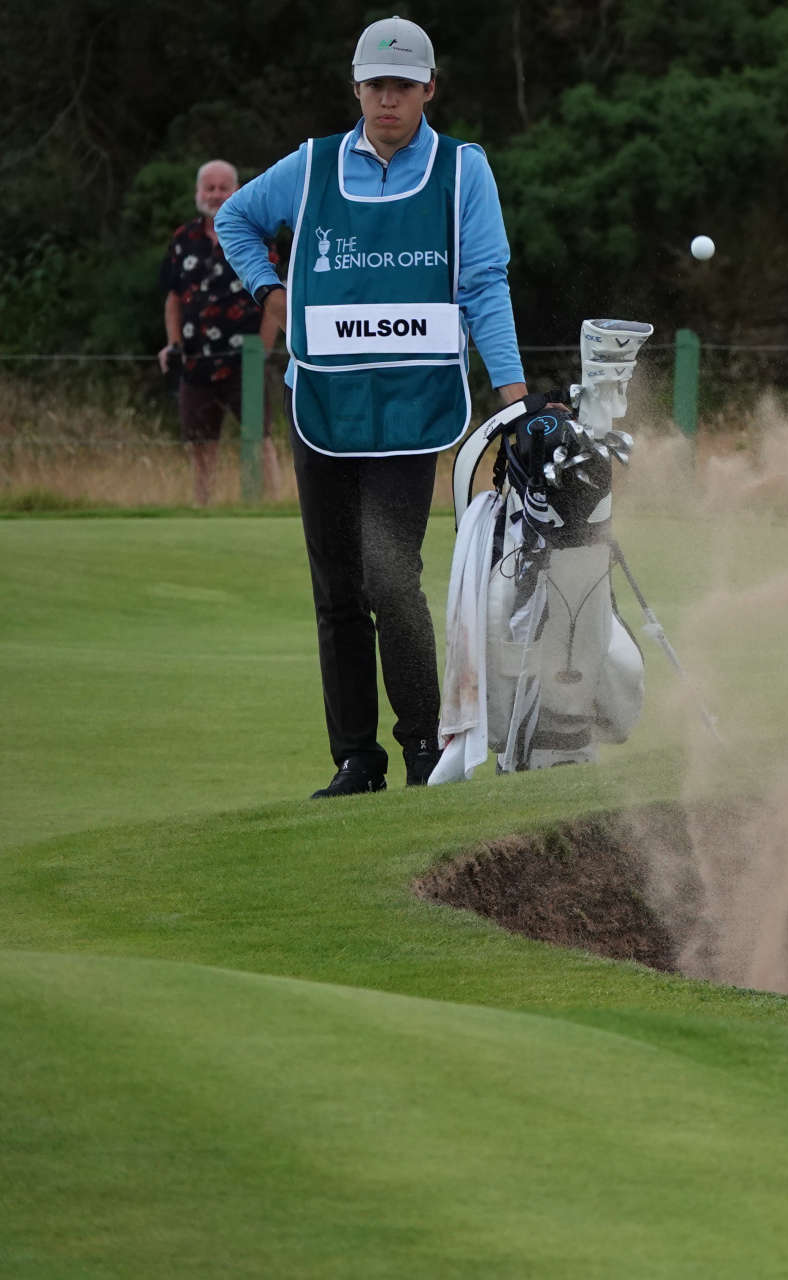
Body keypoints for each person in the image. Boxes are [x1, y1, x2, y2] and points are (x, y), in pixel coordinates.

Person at [216, 15, 537, 798]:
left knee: (392, 580)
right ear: (356, 88)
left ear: (429, 88)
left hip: (412, 404)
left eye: (402, 86)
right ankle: (357, 759)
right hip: (322, 402)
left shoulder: (464, 170)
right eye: (374, 85)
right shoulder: (314, 164)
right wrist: (272, 290)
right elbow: (236, 219)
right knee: (335, 591)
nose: (387, 100)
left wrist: (514, 397)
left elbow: (484, 283)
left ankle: (423, 748)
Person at [158, 159, 282, 506]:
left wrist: (264, 349)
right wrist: (173, 345)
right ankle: (203, 507)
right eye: (208, 188)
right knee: (199, 444)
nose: (215, 195)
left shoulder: (255, 234)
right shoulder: (183, 239)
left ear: (237, 190)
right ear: (198, 192)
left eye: (222, 187)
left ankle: (272, 507)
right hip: (195, 360)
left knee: (258, 438)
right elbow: (173, 297)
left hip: (247, 356)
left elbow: (275, 295)